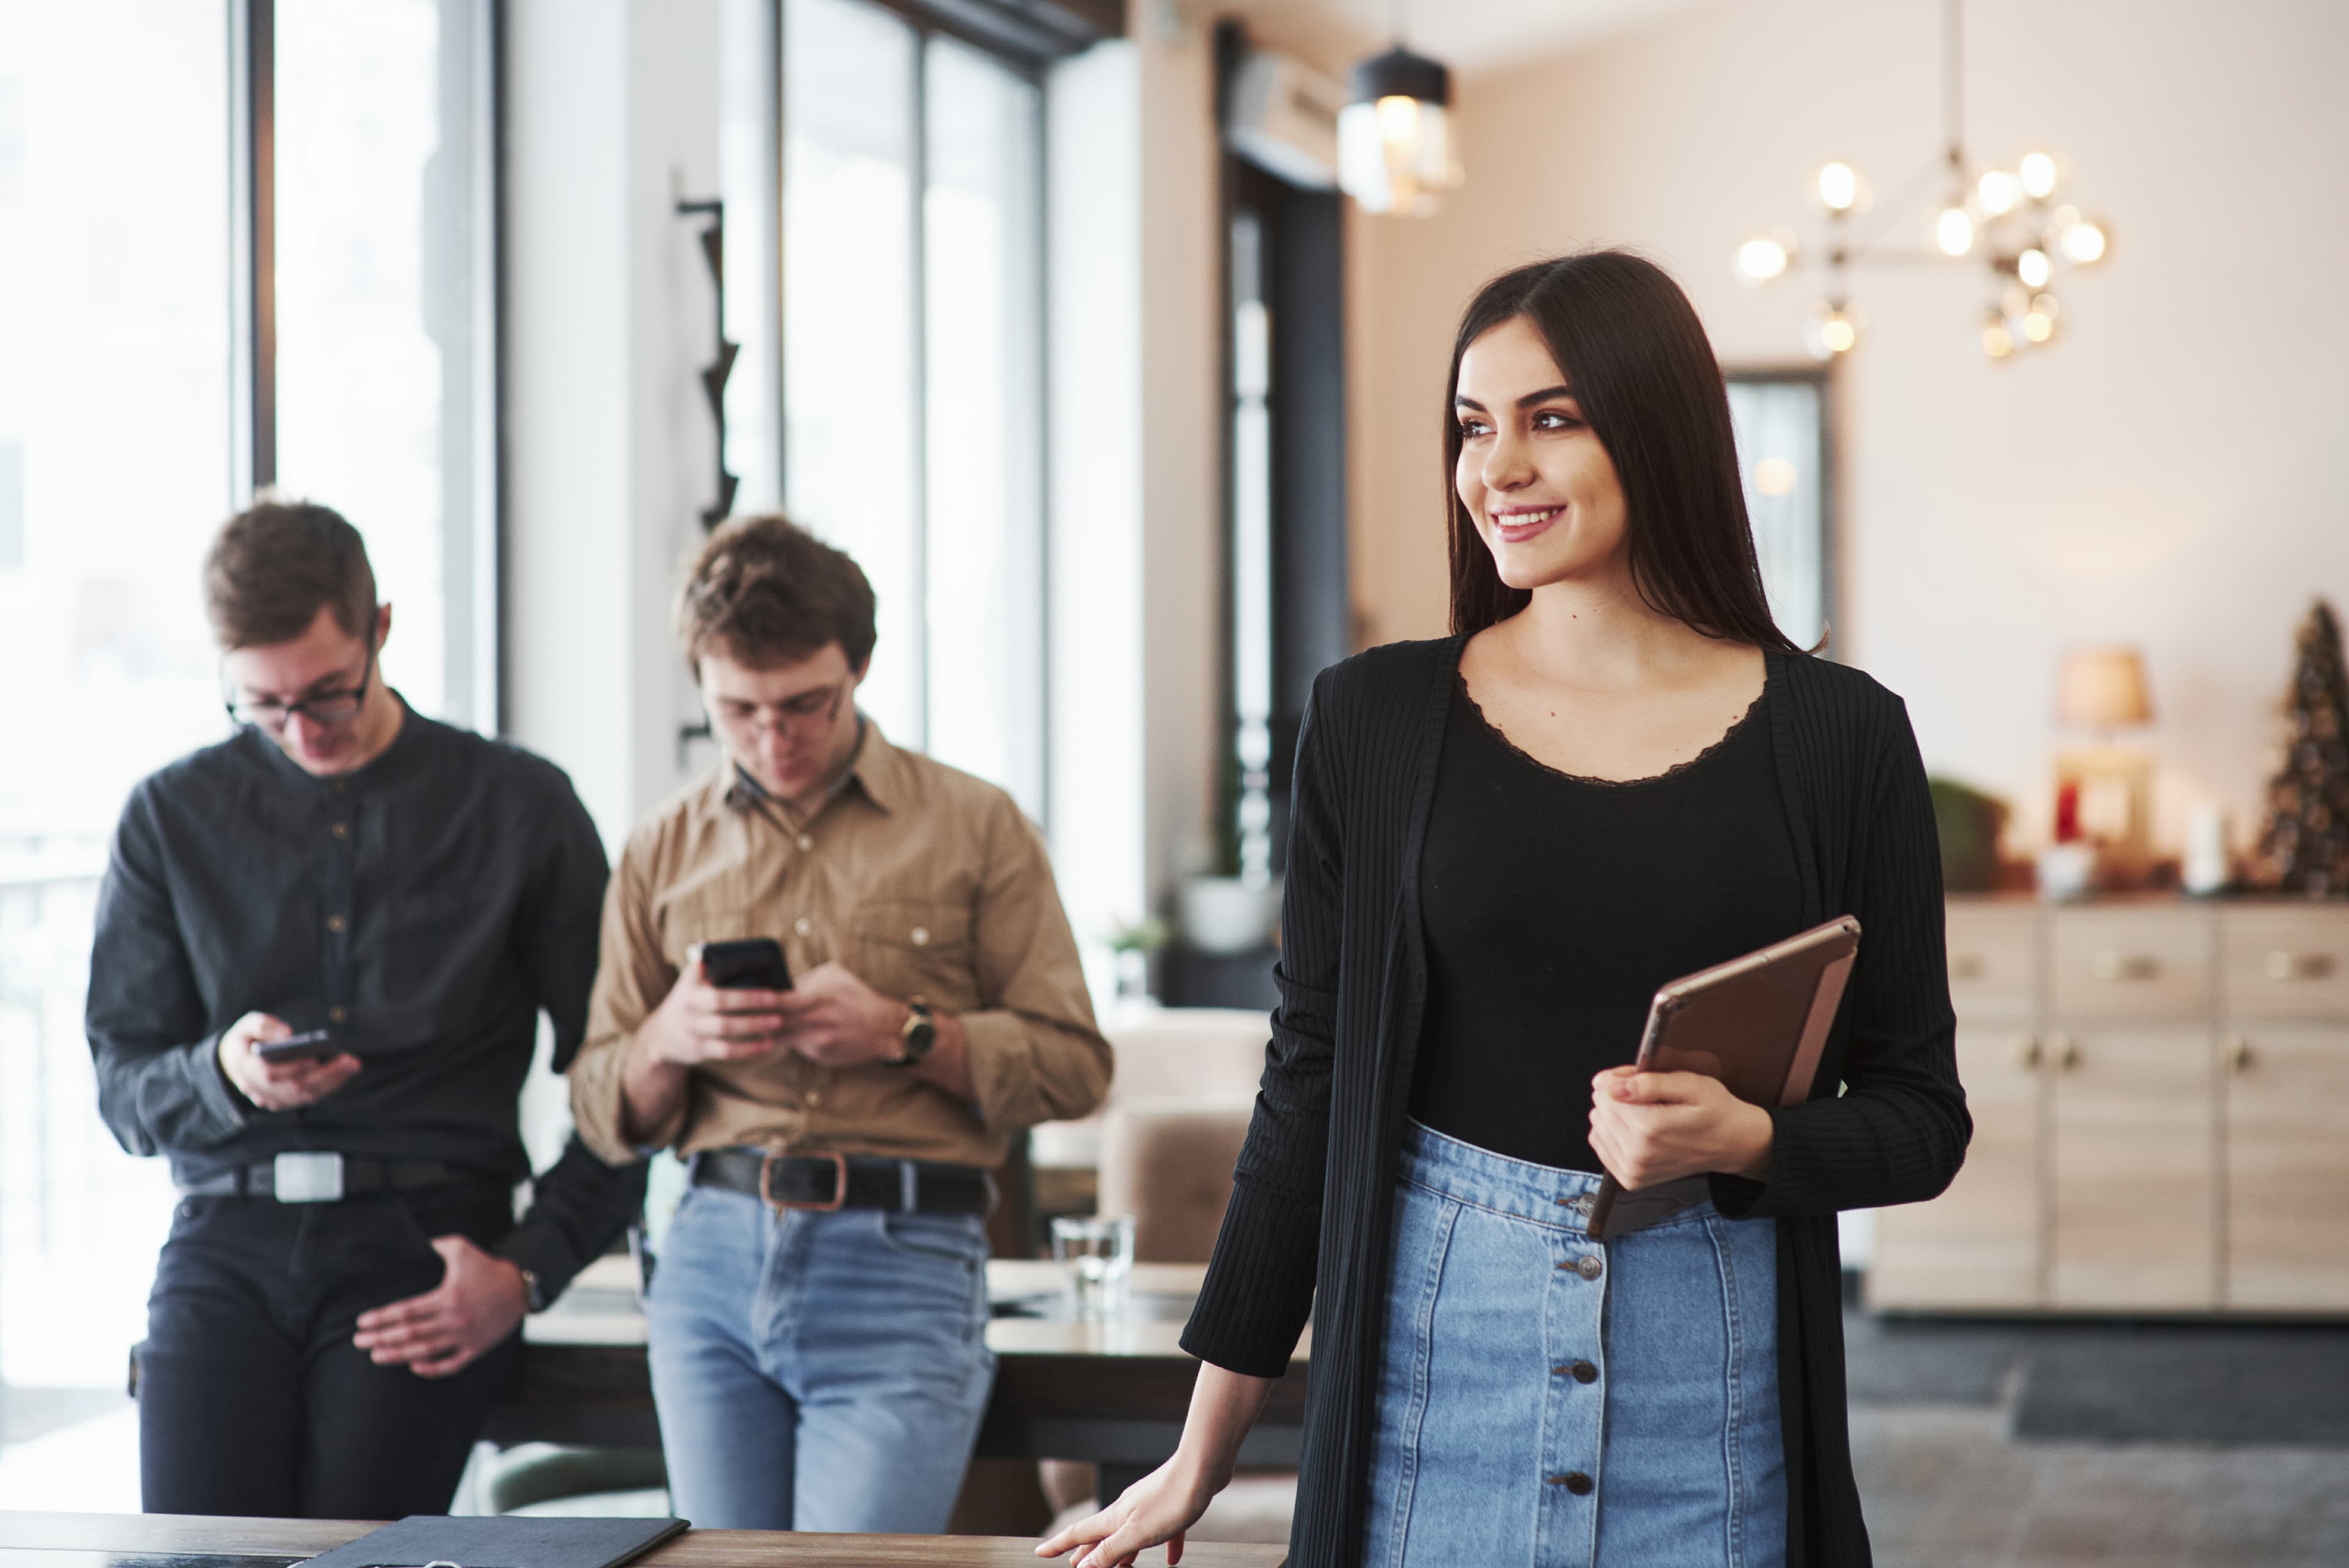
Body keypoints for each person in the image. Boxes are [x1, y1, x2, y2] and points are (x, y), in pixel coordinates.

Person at [1042, 251, 1970, 1568]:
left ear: (1656, 429)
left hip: (1712, 1387)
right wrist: (1199, 1455)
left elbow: (1923, 1119)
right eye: (1474, 427)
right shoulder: (1372, 721)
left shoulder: (1843, 738)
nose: (1498, 468)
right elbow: (1308, 1091)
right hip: (1431, 1382)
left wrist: (1754, 1137)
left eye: (1552, 418)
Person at [89, 500, 647, 1519]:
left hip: (429, 1245)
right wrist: (221, 1073)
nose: (303, 732)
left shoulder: (522, 808)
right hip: (225, 1236)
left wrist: (527, 1272)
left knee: (365, 1559)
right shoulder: (168, 816)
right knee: (191, 1555)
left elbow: (627, 1082)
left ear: (381, 628)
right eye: (264, 706)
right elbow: (122, 1092)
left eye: (329, 696)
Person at [568, 513, 1111, 1533]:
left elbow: (1077, 1069)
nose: (773, 738)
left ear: (858, 666)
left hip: (903, 1260)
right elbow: (601, 1107)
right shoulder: (659, 849)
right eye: (738, 711)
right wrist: (667, 1039)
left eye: (804, 705)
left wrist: (908, 1034)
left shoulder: (977, 824)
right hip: (709, 1255)